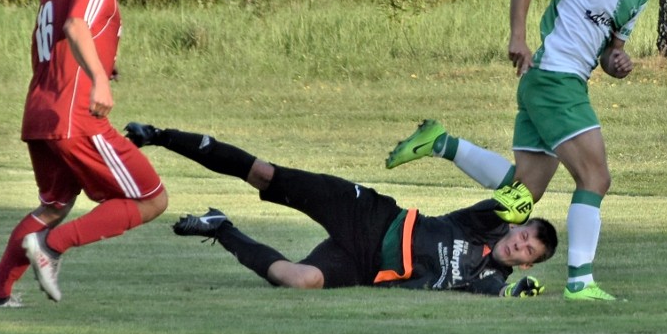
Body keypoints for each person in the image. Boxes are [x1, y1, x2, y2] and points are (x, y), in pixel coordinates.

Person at [386, 0, 667, 301]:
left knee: (525, 189)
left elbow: (612, 56)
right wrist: (519, 37)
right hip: (554, 81)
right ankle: (580, 284)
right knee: (595, 179)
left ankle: (441, 142)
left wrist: (619, 65)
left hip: (560, 83)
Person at [0, 0, 168, 308]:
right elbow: (76, 24)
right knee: (151, 198)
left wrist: (100, 64)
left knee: (54, 204)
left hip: (40, 111)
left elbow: (60, 43)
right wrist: (98, 78)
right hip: (75, 114)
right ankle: (50, 247)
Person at [124, 123, 558, 297]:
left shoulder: (489, 280)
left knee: (299, 280)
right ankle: (161, 136)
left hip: (365, 264)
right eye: (522, 235)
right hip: (370, 216)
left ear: (526, 265)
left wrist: (519, 295)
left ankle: (220, 228)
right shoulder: (483, 226)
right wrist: (518, 201)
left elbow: (502, 296)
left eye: (527, 252)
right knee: (263, 173)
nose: (518, 245)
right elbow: (509, 200)